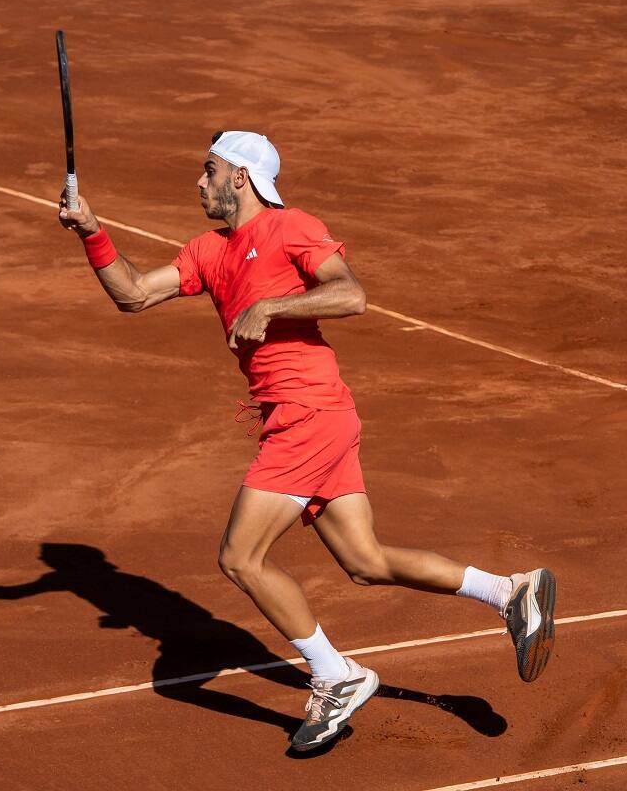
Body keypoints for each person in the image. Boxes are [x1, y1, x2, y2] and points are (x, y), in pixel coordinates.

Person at [58, 130, 556, 752]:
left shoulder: (290, 227)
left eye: (207, 170)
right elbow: (133, 295)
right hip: (306, 416)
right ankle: (508, 591)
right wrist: (90, 230)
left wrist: (270, 306)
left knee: (240, 558)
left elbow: (352, 294)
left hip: (309, 412)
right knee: (365, 561)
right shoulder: (208, 251)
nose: (198, 181)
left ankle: (335, 674)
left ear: (239, 177)